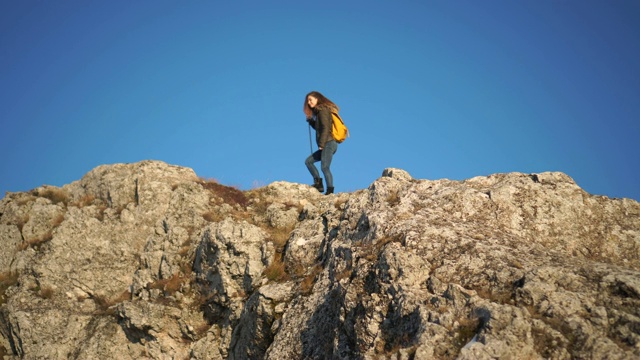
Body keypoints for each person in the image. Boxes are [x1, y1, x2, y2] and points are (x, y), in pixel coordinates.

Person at [303, 91, 339, 195]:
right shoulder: (319, 112)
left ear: (317, 99)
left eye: (310, 100)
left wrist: (321, 144)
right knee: (308, 161)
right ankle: (318, 183)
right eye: (308, 101)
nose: (309, 103)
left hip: (329, 143)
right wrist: (311, 122)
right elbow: (319, 128)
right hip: (326, 143)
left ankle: (330, 191)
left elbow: (326, 128)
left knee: (324, 167)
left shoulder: (323, 110)